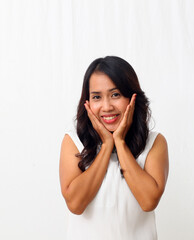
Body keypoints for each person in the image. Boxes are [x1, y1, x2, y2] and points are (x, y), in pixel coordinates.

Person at [59, 56, 169, 239]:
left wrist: (119, 142)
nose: (107, 106)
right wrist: (106, 146)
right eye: (96, 97)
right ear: (87, 102)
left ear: (132, 98)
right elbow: (75, 204)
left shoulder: (154, 143)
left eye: (115, 95)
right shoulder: (73, 142)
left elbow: (148, 201)